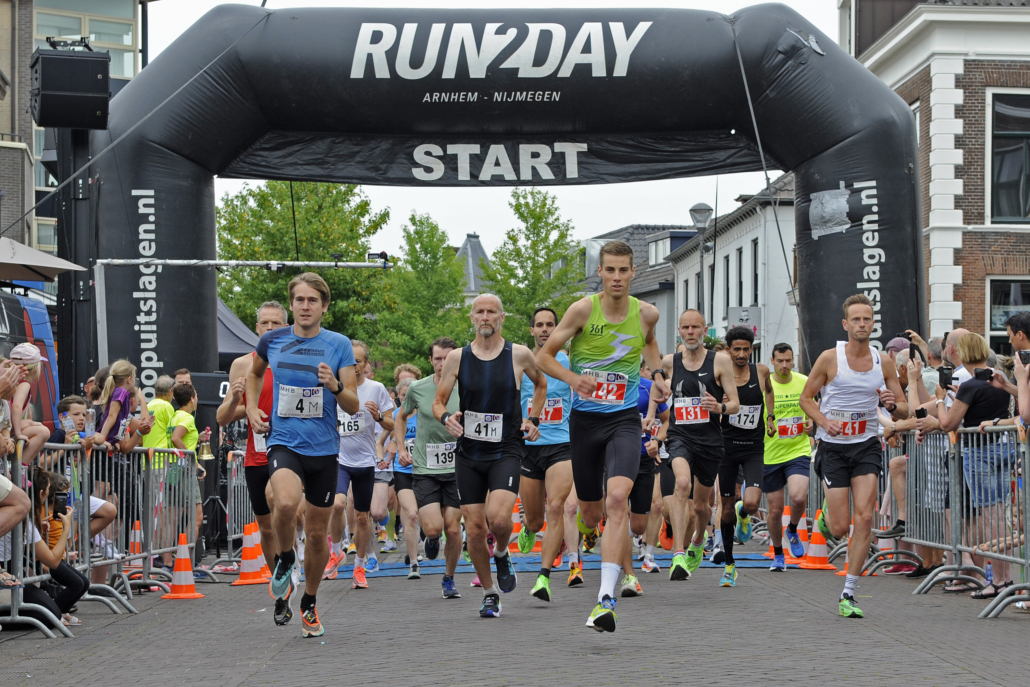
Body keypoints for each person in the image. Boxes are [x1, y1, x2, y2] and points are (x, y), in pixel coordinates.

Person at [537, 240, 668, 633]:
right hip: (585, 424)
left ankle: (604, 600)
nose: (616, 277)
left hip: (624, 420)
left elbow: (649, 344)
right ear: (601, 273)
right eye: (609, 270)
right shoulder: (582, 310)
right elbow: (545, 356)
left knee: (617, 502)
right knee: (592, 513)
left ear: (633, 272)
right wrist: (574, 378)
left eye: (623, 270)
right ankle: (597, 543)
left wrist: (657, 375)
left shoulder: (647, 313)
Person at [247, 272, 358, 638]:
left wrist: (335, 385)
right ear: (291, 303)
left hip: (324, 450)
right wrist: (250, 408)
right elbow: (255, 374)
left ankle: (309, 600)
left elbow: (353, 404)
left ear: (324, 306)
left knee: (315, 535)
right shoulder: (273, 340)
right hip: (284, 442)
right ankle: (284, 558)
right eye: (299, 300)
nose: (305, 306)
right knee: (283, 504)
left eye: (313, 300)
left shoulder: (339, 344)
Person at [434, 294, 546, 619]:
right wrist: (446, 419)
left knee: (498, 520)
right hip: (469, 452)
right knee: (474, 529)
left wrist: (533, 419)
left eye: (491, 312)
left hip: (506, 449)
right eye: (479, 312)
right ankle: (489, 593)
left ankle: (501, 552)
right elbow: (439, 402)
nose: (485, 317)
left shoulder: (519, 354)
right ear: (471, 317)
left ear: (502, 317)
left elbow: (541, 384)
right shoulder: (457, 358)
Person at [802, 294, 908, 618]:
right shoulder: (829, 359)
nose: (863, 324)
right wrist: (824, 421)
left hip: (865, 446)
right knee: (837, 528)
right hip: (833, 447)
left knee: (864, 518)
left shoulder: (883, 362)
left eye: (868, 319)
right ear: (846, 324)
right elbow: (806, 398)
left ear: (873, 323)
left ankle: (848, 592)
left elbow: (903, 407)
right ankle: (824, 516)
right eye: (856, 319)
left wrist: (891, 404)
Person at [659, 310, 740, 583]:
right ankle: (678, 553)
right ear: (679, 331)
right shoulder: (670, 362)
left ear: (705, 330)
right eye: (685, 327)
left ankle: (697, 540)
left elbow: (736, 405)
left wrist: (719, 407)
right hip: (680, 437)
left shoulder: (721, 361)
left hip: (710, 441)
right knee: (682, 484)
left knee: (701, 507)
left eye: (696, 327)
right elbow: (657, 394)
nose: (690, 332)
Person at [934, 332, 1015, 599]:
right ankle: (1004, 578)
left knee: (992, 517)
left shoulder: (969, 385)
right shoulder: (1000, 380)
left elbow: (948, 424)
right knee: (999, 515)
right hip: (1004, 448)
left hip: (979, 452)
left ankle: (1002, 580)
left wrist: (939, 401)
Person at [216, 302, 288, 578]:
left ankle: (293, 554)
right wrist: (238, 399)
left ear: (285, 326)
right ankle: (280, 582)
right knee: (265, 526)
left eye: (276, 324)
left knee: (279, 500)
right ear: (257, 327)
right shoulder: (242, 364)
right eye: (265, 323)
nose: (269, 328)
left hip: (289, 447)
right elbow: (222, 418)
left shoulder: (294, 360)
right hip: (256, 452)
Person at [394, 338, 463, 599]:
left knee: (453, 528)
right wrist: (401, 447)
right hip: (426, 467)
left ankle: (449, 578)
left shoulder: (466, 387)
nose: (443, 363)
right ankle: (432, 539)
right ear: (431, 361)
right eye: (438, 359)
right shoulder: (418, 389)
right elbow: (401, 416)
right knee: (434, 527)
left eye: (448, 358)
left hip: (458, 467)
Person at [516, 307, 575, 604]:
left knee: (557, 508)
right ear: (531, 331)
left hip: (561, 445)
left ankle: (543, 577)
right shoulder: (520, 362)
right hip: (528, 447)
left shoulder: (568, 362)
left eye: (550, 324)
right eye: (539, 325)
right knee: (537, 520)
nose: (545, 329)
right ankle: (528, 527)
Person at [326, 340, 394, 589]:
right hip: (340, 459)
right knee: (337, 504)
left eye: (359, 362)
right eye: (349, 361)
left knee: (363, 518)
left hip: (366, 462)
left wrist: (377, 416)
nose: (354, 366)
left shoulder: (376, 389)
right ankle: (335, 552)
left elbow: (390, 424)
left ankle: (360, 566)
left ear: (366, 364)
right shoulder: (335, 389)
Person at [714, 326, 771, 586]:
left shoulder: (760, 372)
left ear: (752, 349)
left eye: (746, 349)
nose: (741, 354)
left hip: (753, 447)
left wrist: (770, 416)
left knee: (749, 502)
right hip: (726, 447)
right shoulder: (721, 375)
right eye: (736, 349)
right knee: (726, 510)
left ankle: (745, 516)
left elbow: (768, 391)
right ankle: (729, 564)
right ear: (728, 350)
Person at [762, 343, 813, 571]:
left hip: (797, 450)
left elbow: (814, 408)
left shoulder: (803, 381)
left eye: (788, 360)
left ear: (794, 360)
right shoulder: (765, 385)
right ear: (772, 361)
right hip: (770, 454)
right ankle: (778, 553)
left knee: (799, 498)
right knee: (774, 511)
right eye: (780, 360)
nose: (785, 365)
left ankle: (792, 529)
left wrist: (812, 422)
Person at [383, 378, 421, 575]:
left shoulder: (425, 413)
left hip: (425, 471)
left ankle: (429, 535)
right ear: (399, 397)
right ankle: (414, 563)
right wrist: (387, 453)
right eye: (403, 395)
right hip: (403, 471)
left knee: (431, 519)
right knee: (411, 515)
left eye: (410, 395)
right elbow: (383, 438)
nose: (406, 398)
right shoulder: (396, 415)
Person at [168, 382, 207, 563]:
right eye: (196, 396)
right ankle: (184, 560)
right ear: (192, 399)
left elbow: (179, 437)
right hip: (183, 470)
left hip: (174, 468)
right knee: (197, 517)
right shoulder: (187, 417)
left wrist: (197, 440)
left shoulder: (175, 416)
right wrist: (193, 461)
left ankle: (176, 557)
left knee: (175, 516)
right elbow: (176, 438)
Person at [9, 344, 51, 465]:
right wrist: (18, 434)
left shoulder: (10, 380)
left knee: (34, 424)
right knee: (43, 432)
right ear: (36, 368)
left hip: (7, 427)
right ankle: (21, 467)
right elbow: (16, 407)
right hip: (10, 427)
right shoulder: (24, 384)